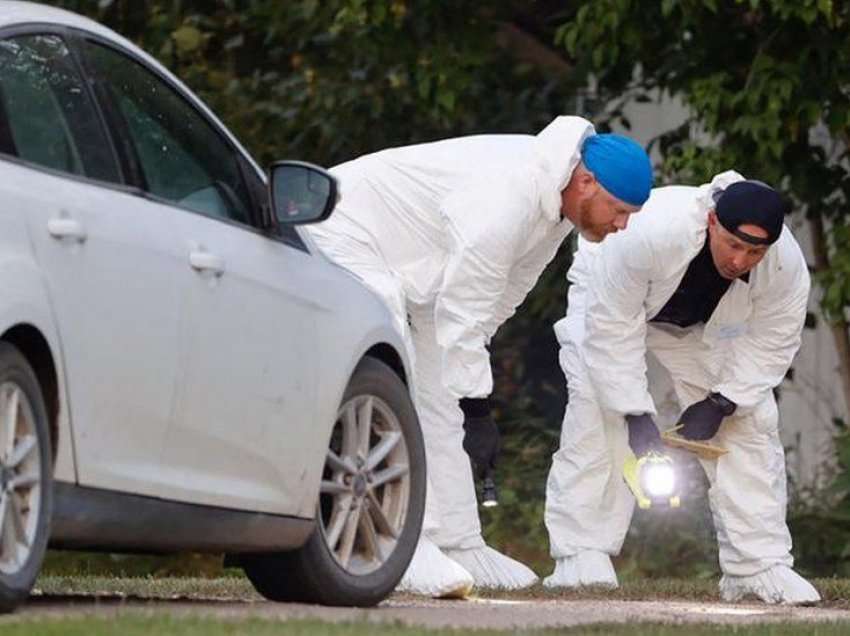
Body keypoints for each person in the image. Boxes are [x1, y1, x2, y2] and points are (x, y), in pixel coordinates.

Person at [306, 116, 653, 597]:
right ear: (586, 182)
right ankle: (405, 542)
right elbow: (466, 306)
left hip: (416, 266)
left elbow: (498, 300)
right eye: (619, 211)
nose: (622, 226)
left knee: (442, 388)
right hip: (339, 225)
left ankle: (459, 541)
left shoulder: (555, 208)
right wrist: (477, 407)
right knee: (395, 366)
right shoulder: (509, 198)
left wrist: (468, 394)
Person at [544, 171, 821, 604]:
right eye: (733, 244)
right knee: (598, 414)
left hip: (696, 325)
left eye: (754, 252)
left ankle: (756, 566)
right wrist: (636, 415)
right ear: (712, 221)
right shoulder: (648, 233)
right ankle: (581, 555)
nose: (740, 261)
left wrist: (723, 401)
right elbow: (612, 331)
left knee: (750, 422)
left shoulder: (784, 265)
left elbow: (774, 340)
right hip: (611, 301)